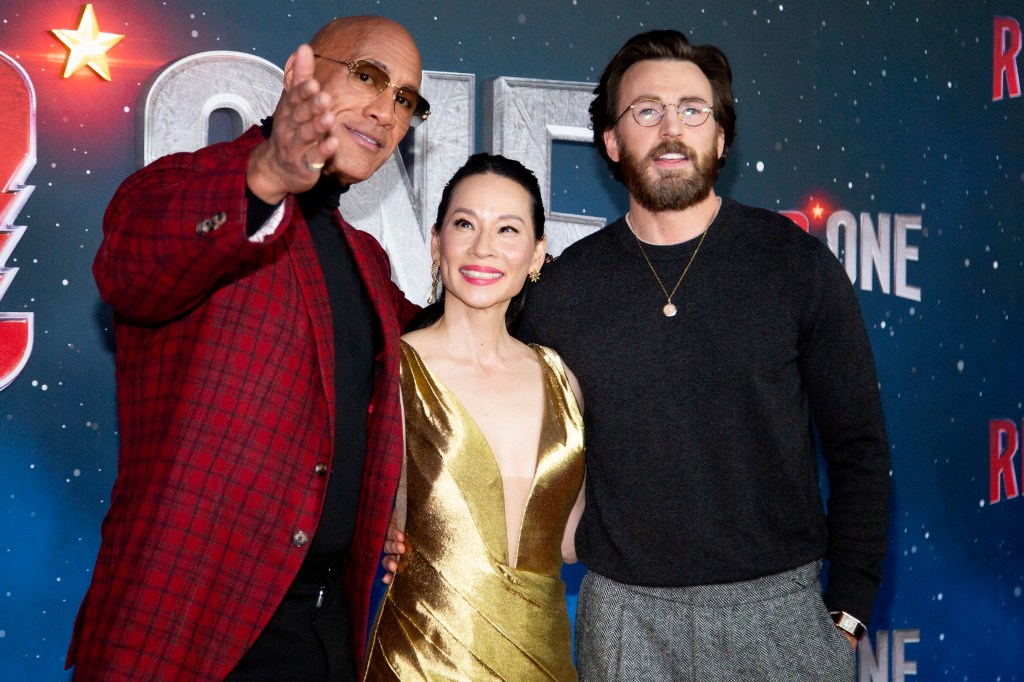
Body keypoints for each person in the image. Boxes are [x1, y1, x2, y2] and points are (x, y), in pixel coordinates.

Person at [514, 30, 891, 680]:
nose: (670, 128)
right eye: (646, 110)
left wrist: (848, 616)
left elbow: (858, 448)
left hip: (781, 619)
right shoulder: (561, 294)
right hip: (623, 622)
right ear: (611, 141)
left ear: (720, 138)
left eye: (693, 110)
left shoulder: (794, 266)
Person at [67, 15, 427, 681]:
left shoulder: (368, 262)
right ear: (300, 75)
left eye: (406, 98)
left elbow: (442, 350)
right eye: (369, 76)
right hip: (188, 626)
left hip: (324, 631)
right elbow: (131, 272)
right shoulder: (185, 187)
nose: (386, 108)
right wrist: (266, 173)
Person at [364, 153, 586, 680]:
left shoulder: (563, 380)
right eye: (465, 224)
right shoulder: (392, 370)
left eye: (507, 229)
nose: (484, 247)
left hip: (546, 662)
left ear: (536, 255)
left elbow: (572, 543)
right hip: (422, 661)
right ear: (437, 243)